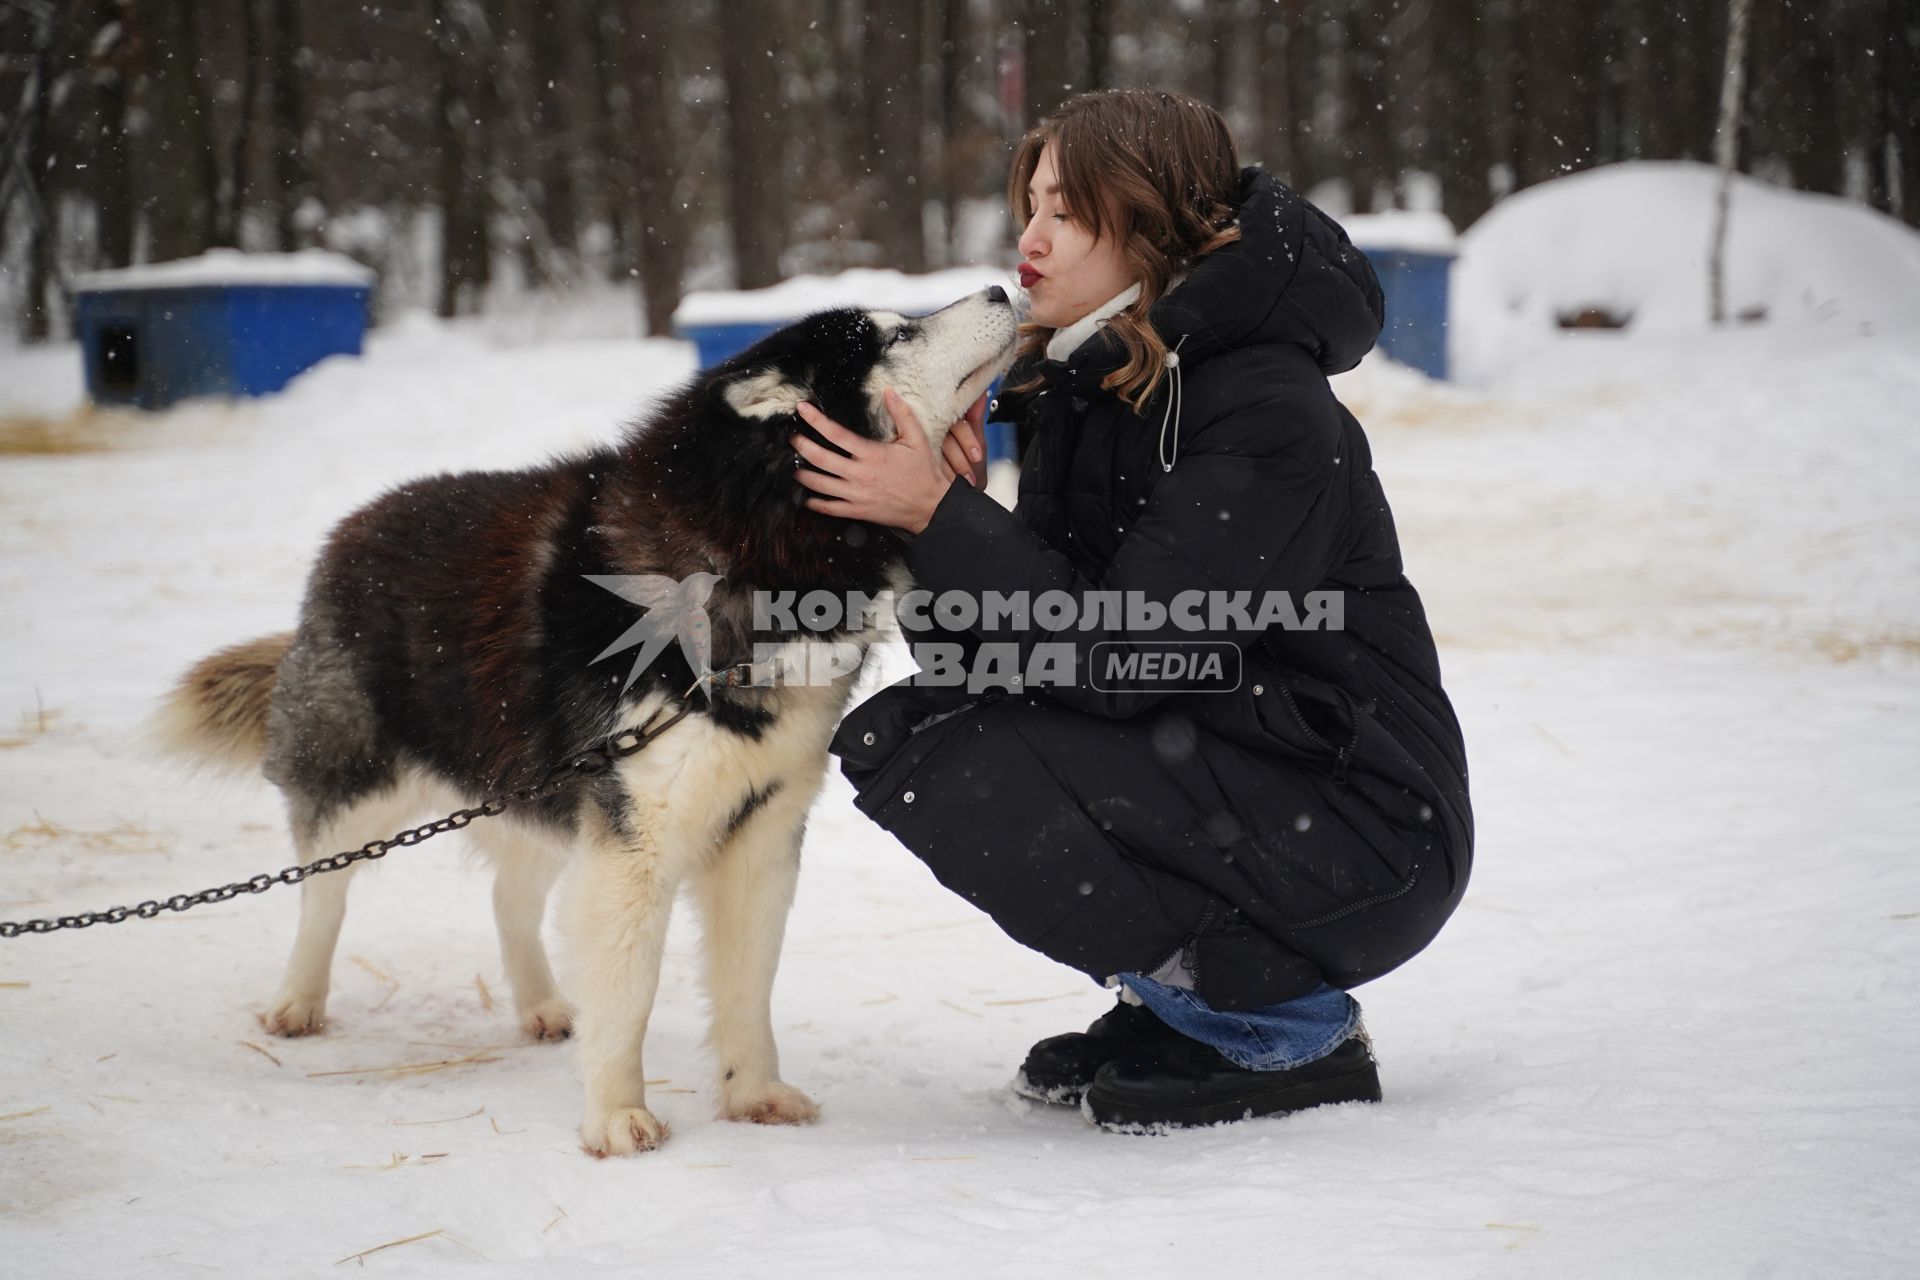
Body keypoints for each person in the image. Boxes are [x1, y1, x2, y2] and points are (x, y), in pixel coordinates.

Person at [785, 88, 1473, 1132]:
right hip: (1247, 769)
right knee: (937, 733)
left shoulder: (1266, 407)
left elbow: (1128, 654)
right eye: (1030, 204)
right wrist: (942, 526)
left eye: (1066, 210)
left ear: (1150, 220)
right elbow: (1007, 659)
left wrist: (942, 518)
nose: (1030, 237)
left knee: (977, 753)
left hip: (1363, 825)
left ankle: (1282, 1028)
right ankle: (1193, 1001)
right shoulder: (1090, 384)